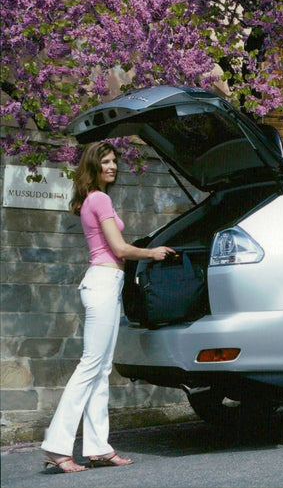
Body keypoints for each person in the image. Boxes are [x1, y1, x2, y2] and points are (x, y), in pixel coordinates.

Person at [41, 141, 175, 473]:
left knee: (100, 370)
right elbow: (119, 247)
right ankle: (57, 447)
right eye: (106, 161)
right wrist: (152, 253)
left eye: (115, 160)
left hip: (107, 284)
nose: (113, 166)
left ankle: (98, 448)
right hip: (101, 282)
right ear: (93, 165)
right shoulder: (99, 198)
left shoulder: (96, 198)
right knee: (90, 366)